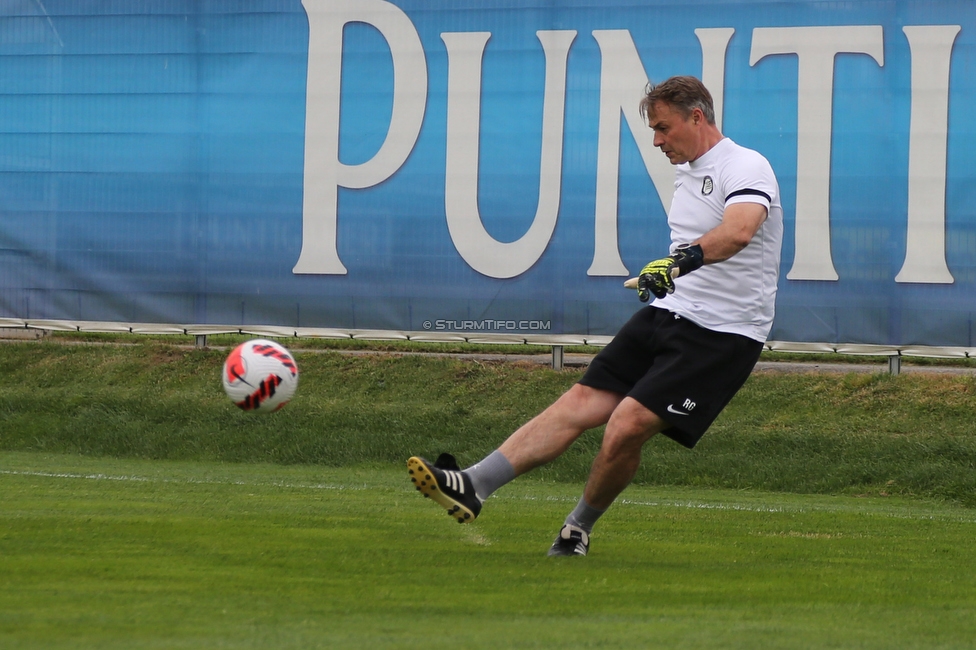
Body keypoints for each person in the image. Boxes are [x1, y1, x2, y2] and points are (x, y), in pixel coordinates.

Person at [407, 75, 784, 556]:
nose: (656, 140)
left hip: (723, 333)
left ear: (697, 116)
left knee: (626, 424)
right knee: (578, 403)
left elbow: (739, 231)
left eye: (663, 128)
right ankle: (472, 484)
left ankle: (576, 530)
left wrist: (676, 262)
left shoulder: (746, 164)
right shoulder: (688, 171)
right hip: (671, 312)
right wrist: (669, 272)